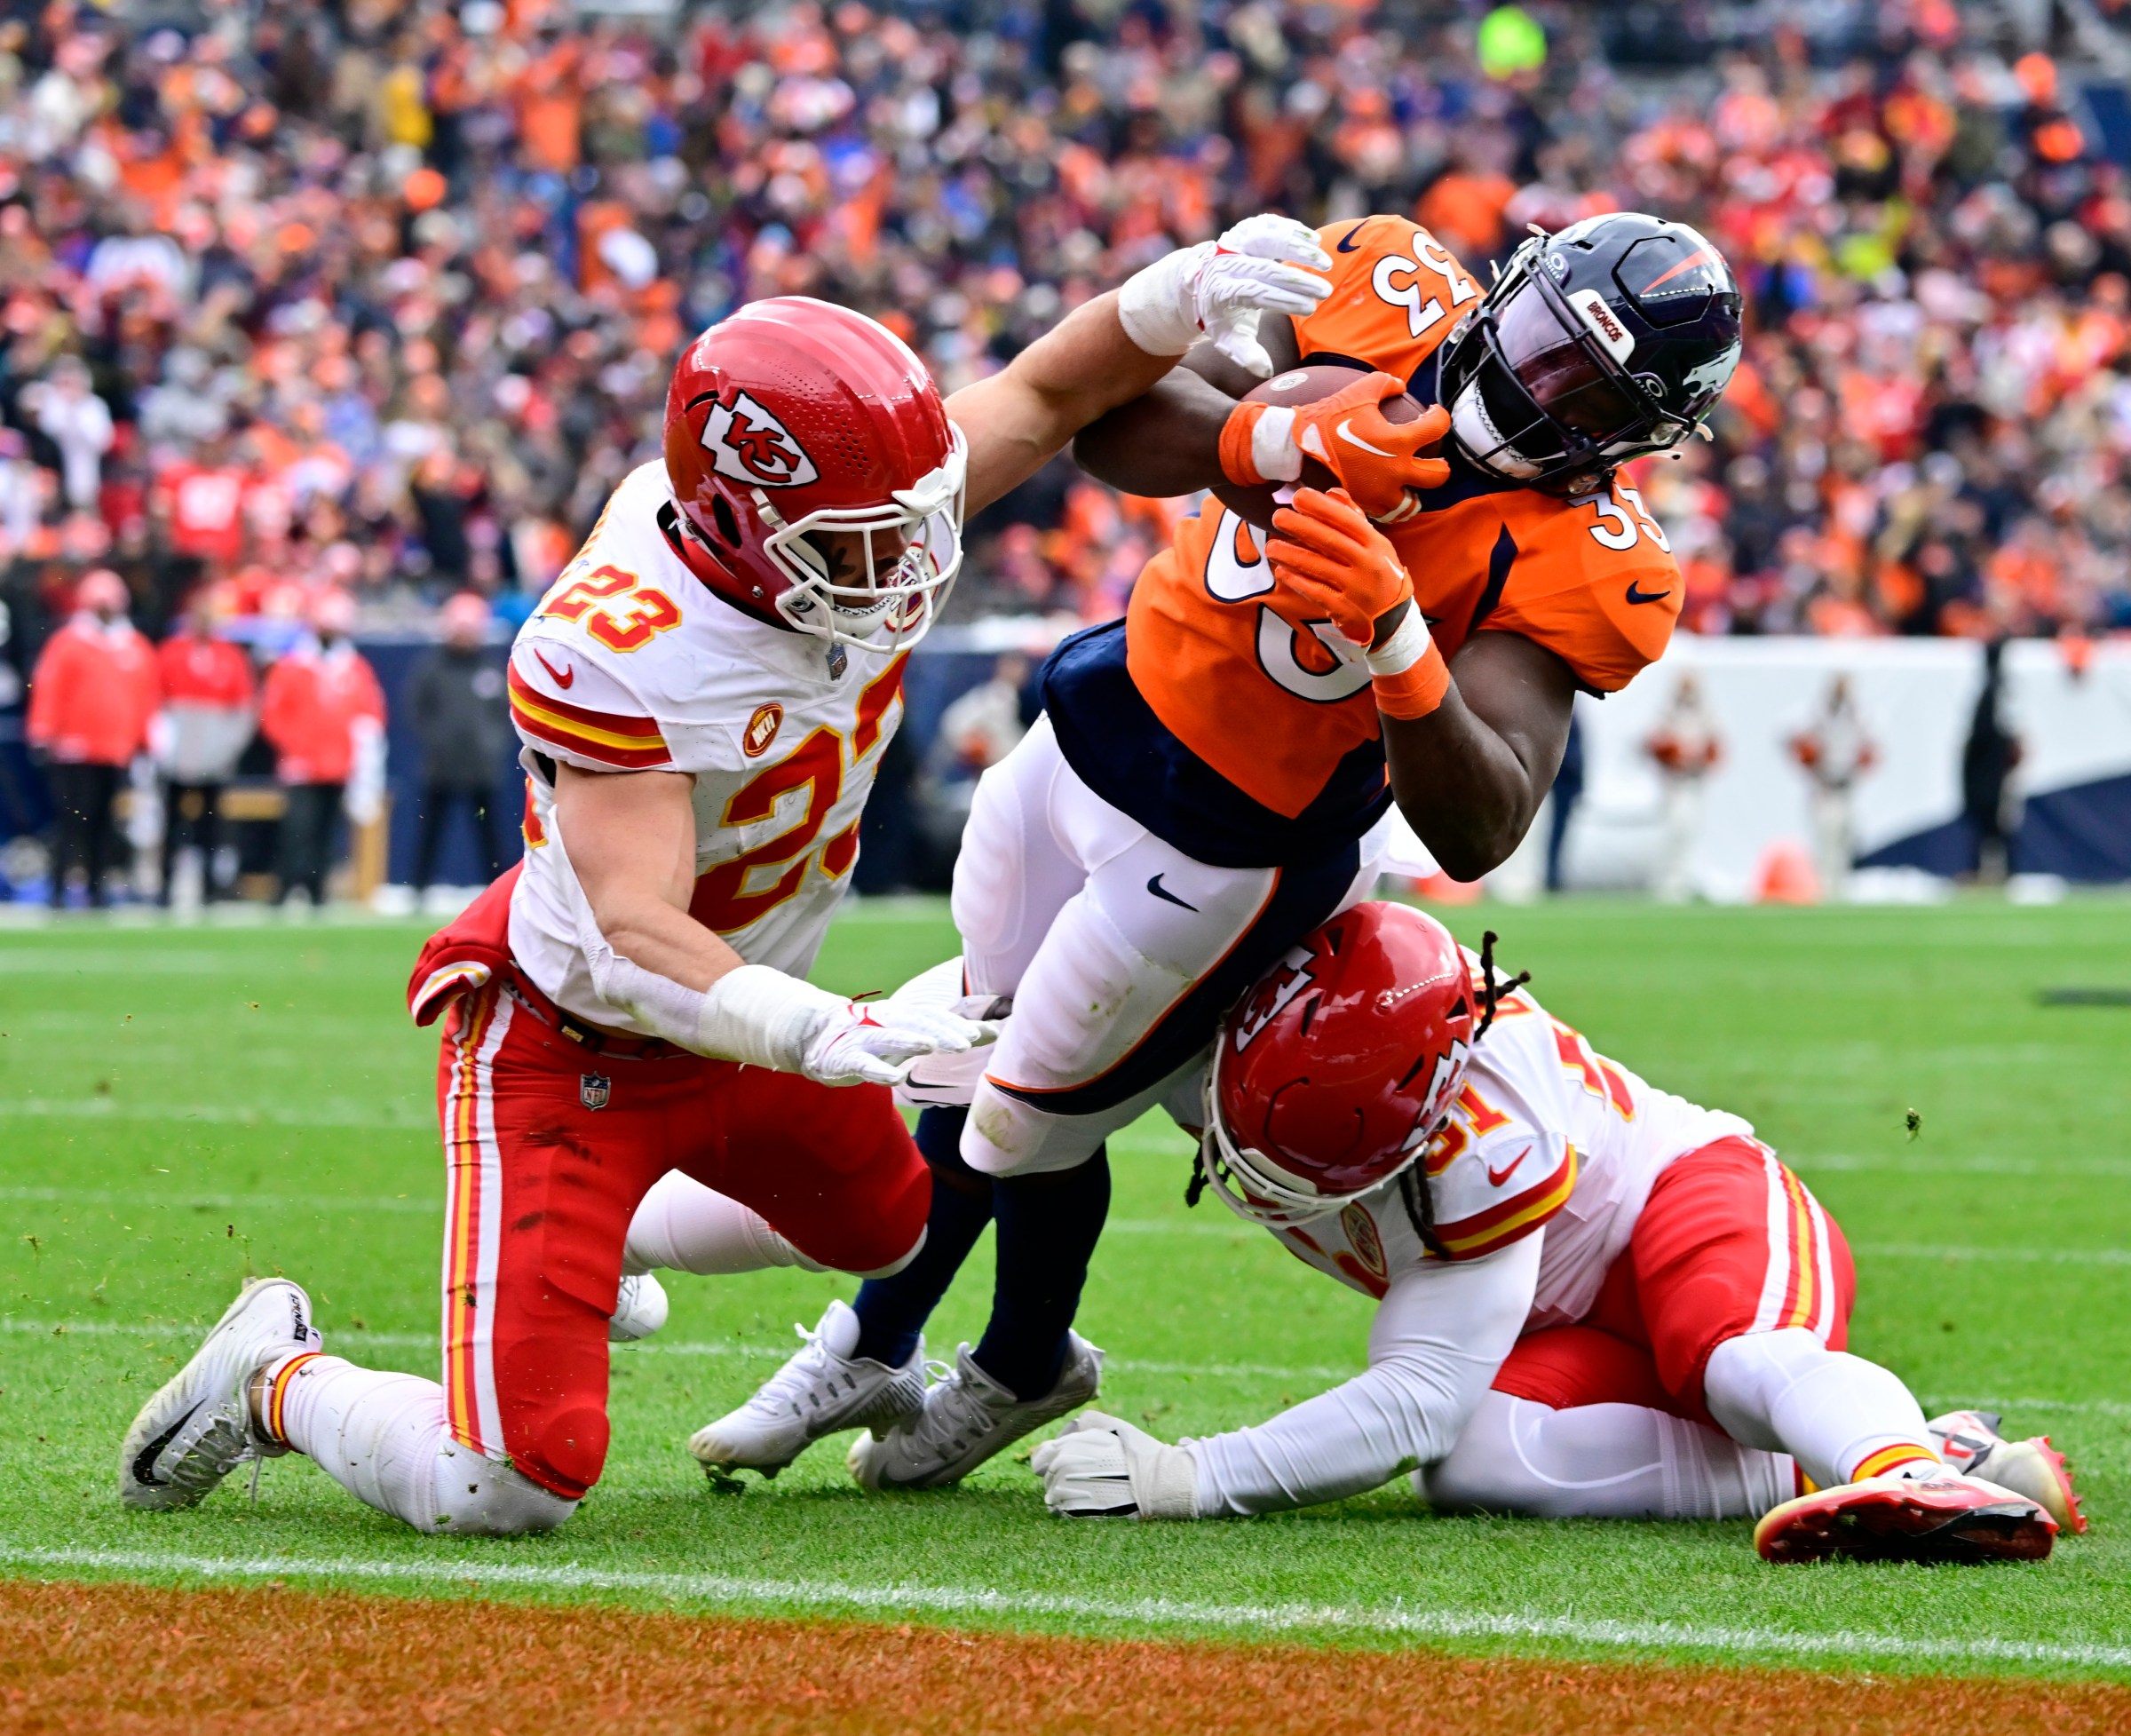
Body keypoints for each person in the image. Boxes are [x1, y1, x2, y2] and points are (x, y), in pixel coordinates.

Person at [116, 218, 1342, 1537]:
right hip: (572, 1037)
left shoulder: (849, 516)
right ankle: (278, 1372)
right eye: (865, 541)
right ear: (732, 523)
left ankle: (610, 1245)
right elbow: (639, 923)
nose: (910, 565)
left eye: (911, 520)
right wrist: (829, 1028)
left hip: (745, 1010)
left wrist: (1176, 289)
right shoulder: (619, 645)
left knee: (897, 1223)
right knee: (505, 1486)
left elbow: (1045, 392)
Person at [695, 210, 1743, 1494]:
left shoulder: (1588, 554)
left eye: (1591, 390)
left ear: (1638, 435)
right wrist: (1272, 435)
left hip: (1232, 849)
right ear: (1508, 287)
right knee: (967, 1034)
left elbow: (1484, 816)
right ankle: (914, 1340)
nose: (1536, 385)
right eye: (1540, 340)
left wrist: (1399, 645)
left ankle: (965, 1348)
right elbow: (1108, 418)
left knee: (1019, 1113)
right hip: (1098, 715)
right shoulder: (1388, 290)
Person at [1025, 901, 2080, 1566]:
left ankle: (1902, 1464)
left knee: (1738, 1358)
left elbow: (1415, 1399)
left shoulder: (1490, 1132)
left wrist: (1196, 1475)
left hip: (1690, 1206)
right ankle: (1850, 1463)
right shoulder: (1215, 1009)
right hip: (1557, 1319)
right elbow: (1031, 1036)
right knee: (1482, 1462)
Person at [26, 568, 159, 907]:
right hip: (73, 749)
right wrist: (43, 730)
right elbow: (50, 689)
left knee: (105, 823)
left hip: (115, 749)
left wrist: (145, 742)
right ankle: (58, 889)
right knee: (72, 822)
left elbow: (145, 698)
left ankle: (97, 890)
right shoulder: (68, 643)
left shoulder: (134, 646)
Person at [257, 590, 385, 908]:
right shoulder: (293, 665)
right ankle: (286, 889)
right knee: (297, 831)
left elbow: (370, 714)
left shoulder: (354, 667)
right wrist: (293, 748)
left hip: (339, 765)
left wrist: (360, 758)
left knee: (327, 833)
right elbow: (273, 714)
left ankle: (317, 892)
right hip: (301, 764)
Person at [152, 588, 256, 906]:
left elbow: (244, 710)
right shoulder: (171, 652)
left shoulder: (230, 656)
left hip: (213, 757)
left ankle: (209, 889)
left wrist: (226, 750)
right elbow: (155, 703)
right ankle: (165, 888)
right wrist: (161, 747)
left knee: (210, 828)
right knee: (171, 824)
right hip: (176, 756)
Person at [405, 591, 511, 896]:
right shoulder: (431, 668)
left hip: (482, 768)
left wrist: (491, 746)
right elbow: (417, 709)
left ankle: (498, 893)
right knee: (430, 832)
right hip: (441, 766)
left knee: (490, 836)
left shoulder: (490, 669)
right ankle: (418, 889)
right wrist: (435, 742)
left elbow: (504, 713)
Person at [1788, 674, 1876, 900]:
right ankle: (1824, 885)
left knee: (1845, 837)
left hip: (1846, 785)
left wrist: (1859, 765)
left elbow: (1871, 747)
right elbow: (1794, 739)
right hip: (1824, 785)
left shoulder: (1858, 716)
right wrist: (1810, 761)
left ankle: (1841, 884)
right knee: (1825, 836)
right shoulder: (1817, 715)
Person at [1644, 672, 1723, 903]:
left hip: (1695, 780)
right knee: (1674, 829)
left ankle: (1684, 878)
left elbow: (1715, 745)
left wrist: (1698, 759)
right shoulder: (1667, 712)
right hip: (1674, 782)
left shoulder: (1705, 713)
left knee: (1691, 829)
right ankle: (1667, 881)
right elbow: (1655, 742)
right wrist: (1673, 755)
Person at [1961, 639, 2022, 883]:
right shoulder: (1995, 693)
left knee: (1997, 825)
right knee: (1992, 825)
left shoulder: (1997, 693)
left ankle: (1999, 872)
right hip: (1991, 775)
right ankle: (1992, 871)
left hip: (1994, 775)